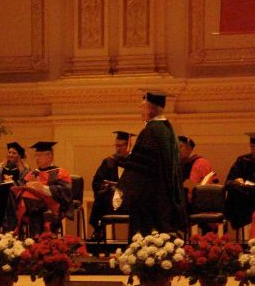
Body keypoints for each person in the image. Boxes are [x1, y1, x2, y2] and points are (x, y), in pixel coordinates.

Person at [116, 92, 186, 237]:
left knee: (147, 240)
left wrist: (123, 188)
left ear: (149, 108)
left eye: (142, 108)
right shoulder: (168, 129)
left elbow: (140, 168)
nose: (141, 112)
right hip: (165, 194)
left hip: (150, 198)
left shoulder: (151, 131)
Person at [6, 142, 73, 237]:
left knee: (33, 209)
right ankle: (36, 239)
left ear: (50, 156)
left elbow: (65, 192)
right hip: (32, 207)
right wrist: (28, 186)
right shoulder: (33, 173)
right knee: (19, 195)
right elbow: (22, 185)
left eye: (40, 155)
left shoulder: (61, 172)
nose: (37, 158)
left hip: (52, 206)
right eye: (36, 155)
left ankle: (33, 238)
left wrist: (43, 188)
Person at [88, 131, 134, 241]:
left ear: (129, 145)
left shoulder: (136, 162)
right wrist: (107, 187)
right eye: (116, 146)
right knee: (103, 196)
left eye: (120, 146)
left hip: (131, 202)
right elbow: (97, 183)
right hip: (110, 203)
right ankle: (98, 232)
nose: (117, 149)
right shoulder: (109, 162)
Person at [225, 133, 255, 238]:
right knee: (234, 189)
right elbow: (229, 182)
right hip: (243, 201)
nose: (254, 149)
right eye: (252, 146)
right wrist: (238, 183)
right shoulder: (242, 161)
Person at [179, 135, 218, 201]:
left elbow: (207, 187)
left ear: (189, 148)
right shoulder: (178, 164)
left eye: (180, 146)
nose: (178, 150)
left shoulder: (202, 163)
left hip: (197, 202)